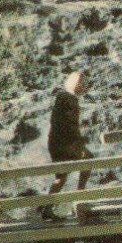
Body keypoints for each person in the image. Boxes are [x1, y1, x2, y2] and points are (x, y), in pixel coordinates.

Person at [42, 71, 92, 221]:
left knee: (61, 177)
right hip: (64, 142)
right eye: (83, 83)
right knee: (88, 160)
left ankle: (47, 209)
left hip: (55, 142)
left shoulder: (62, 97)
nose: (85, 87)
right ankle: (79, 200)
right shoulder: (70, 100)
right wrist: (79, 140)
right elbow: (69, 126)